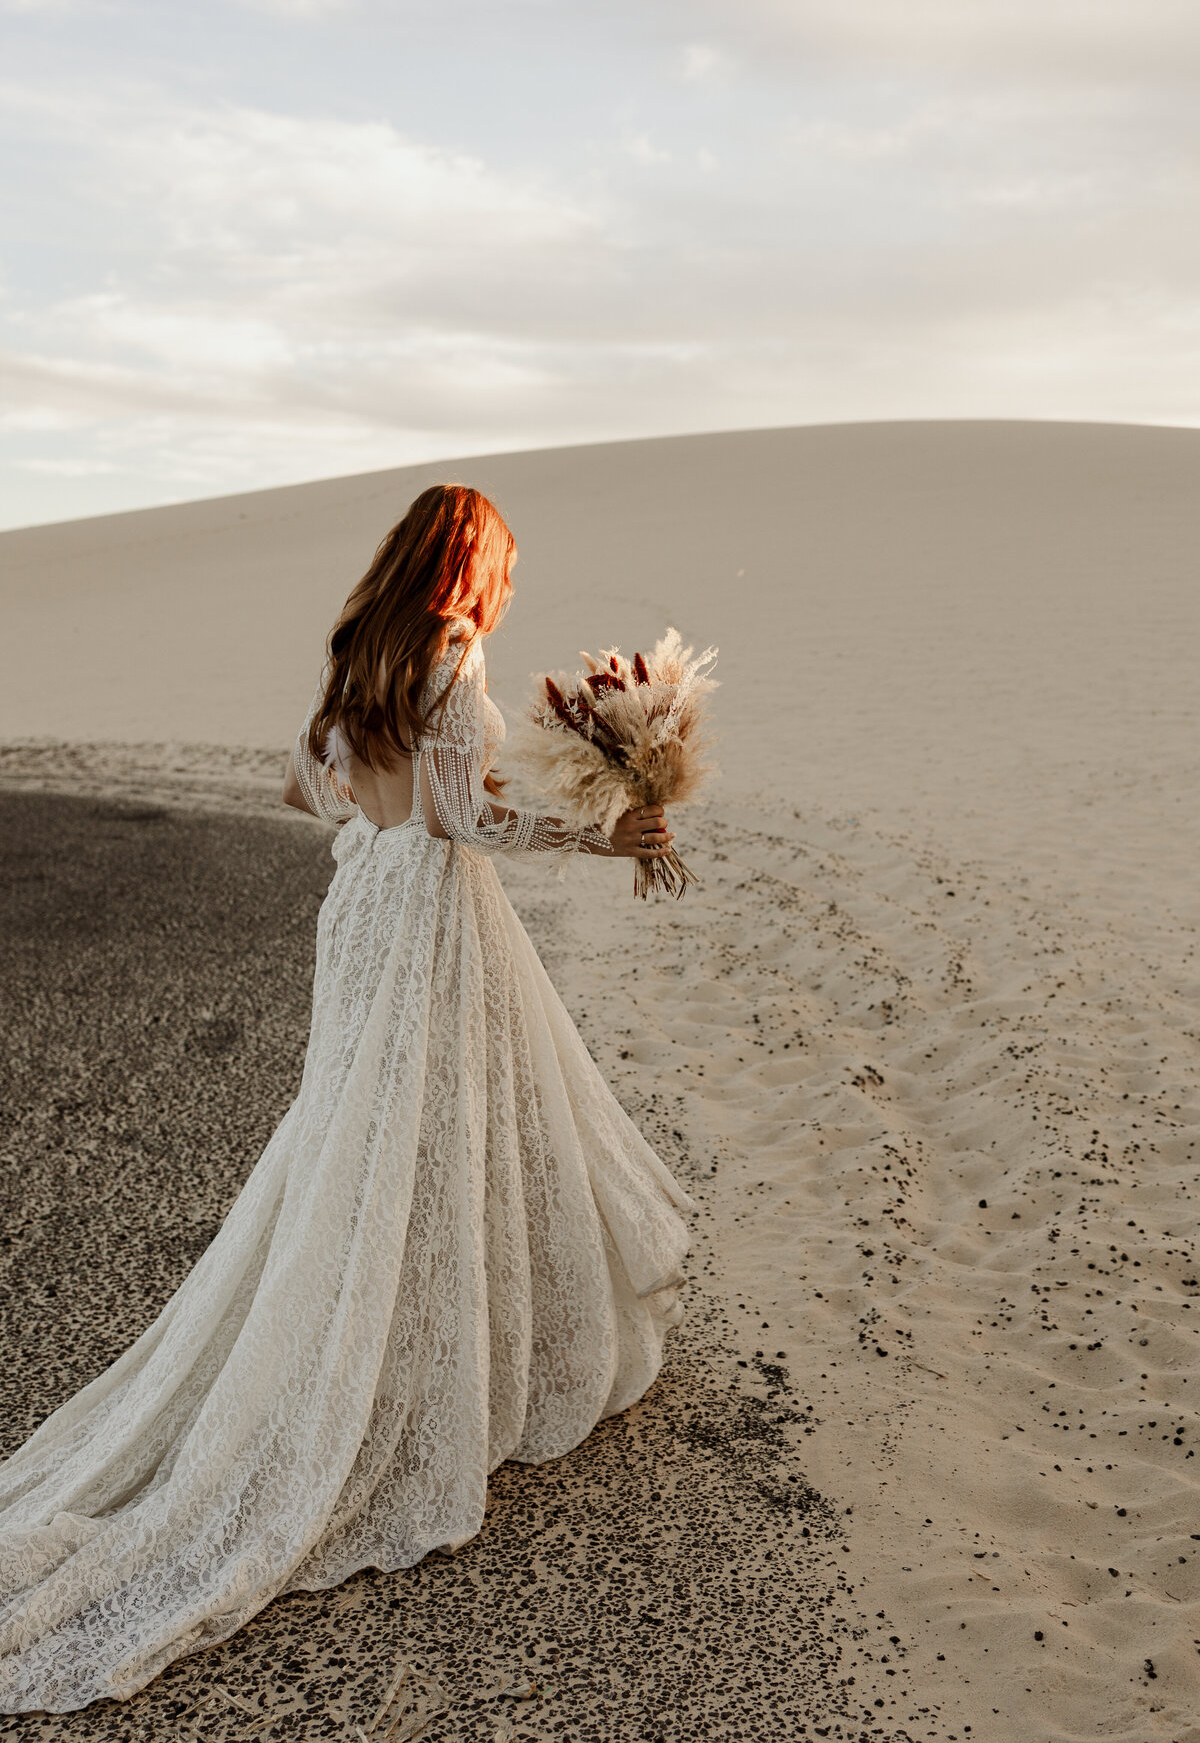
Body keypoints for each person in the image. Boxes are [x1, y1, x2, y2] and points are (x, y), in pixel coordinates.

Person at [0, 484, 694, 1714]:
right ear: (471, 564)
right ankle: (411, 1376)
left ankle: (407, 1332)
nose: (507, 594)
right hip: (425, 911)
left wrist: (383, 818)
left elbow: (303, 789)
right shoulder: (447, 650)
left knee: (368, 1133)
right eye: (505, 569)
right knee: (434, 1129)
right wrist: (602, 837)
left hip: (364, 903)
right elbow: (461, 816)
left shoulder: (362, 648)